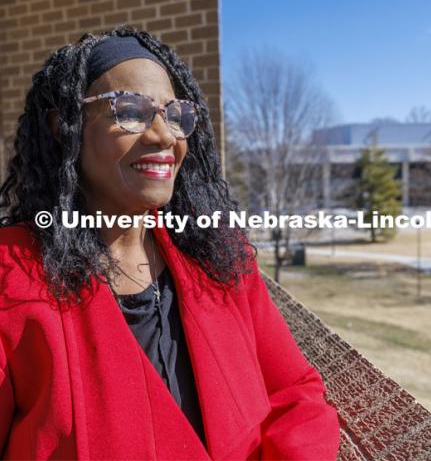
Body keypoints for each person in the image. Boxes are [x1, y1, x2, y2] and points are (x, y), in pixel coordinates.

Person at [0, 25, 340, 460]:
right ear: (64, 127)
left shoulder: (215, 256)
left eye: (174, 114)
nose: (164, 136)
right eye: (130, 110)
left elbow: (295, 390)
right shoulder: (12, 277)